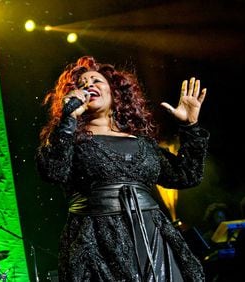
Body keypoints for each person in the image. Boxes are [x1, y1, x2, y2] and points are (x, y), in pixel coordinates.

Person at [36, 55, 209, 281]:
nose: (88, 85)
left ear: (114, 93)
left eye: (96, 81)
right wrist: (68, 120)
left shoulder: (142, 143)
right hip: (96, 242)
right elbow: (52, 171)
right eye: (81, 85)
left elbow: (187, 175)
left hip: (152, 237)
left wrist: (190, 127)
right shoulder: (67, 139)